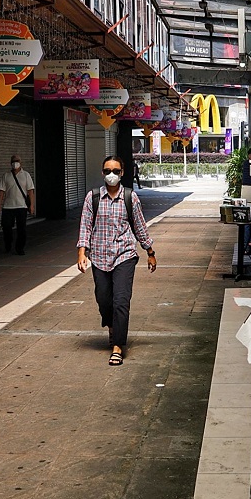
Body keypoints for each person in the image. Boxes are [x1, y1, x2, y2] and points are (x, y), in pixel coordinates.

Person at [76, 155, 157, 366]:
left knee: (121, 300)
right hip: (100, 256)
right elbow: (85, 226)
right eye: (107, 171)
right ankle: (112, 325)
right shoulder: (92, 197)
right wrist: (82, 252)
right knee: (104, 300)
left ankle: (118, 346)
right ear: (102, 173)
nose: (111, 175)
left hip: (125, 255)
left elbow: (139, 226)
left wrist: (150, 251)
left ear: (122, 173)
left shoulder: (130, 197)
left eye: (116, 171)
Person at [0, 154, 35, 255]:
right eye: (13, 161)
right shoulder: (6, 175)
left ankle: (19, 248)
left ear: (21, 162)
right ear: (10, 163)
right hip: (8, 206)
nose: (15, 163)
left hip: (21, 206)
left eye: (17, 161)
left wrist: (32, 205)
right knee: (6, 227)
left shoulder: (26, 175)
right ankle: (8, 244)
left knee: (21, 229)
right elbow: (1, 191)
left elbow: (30, 191)